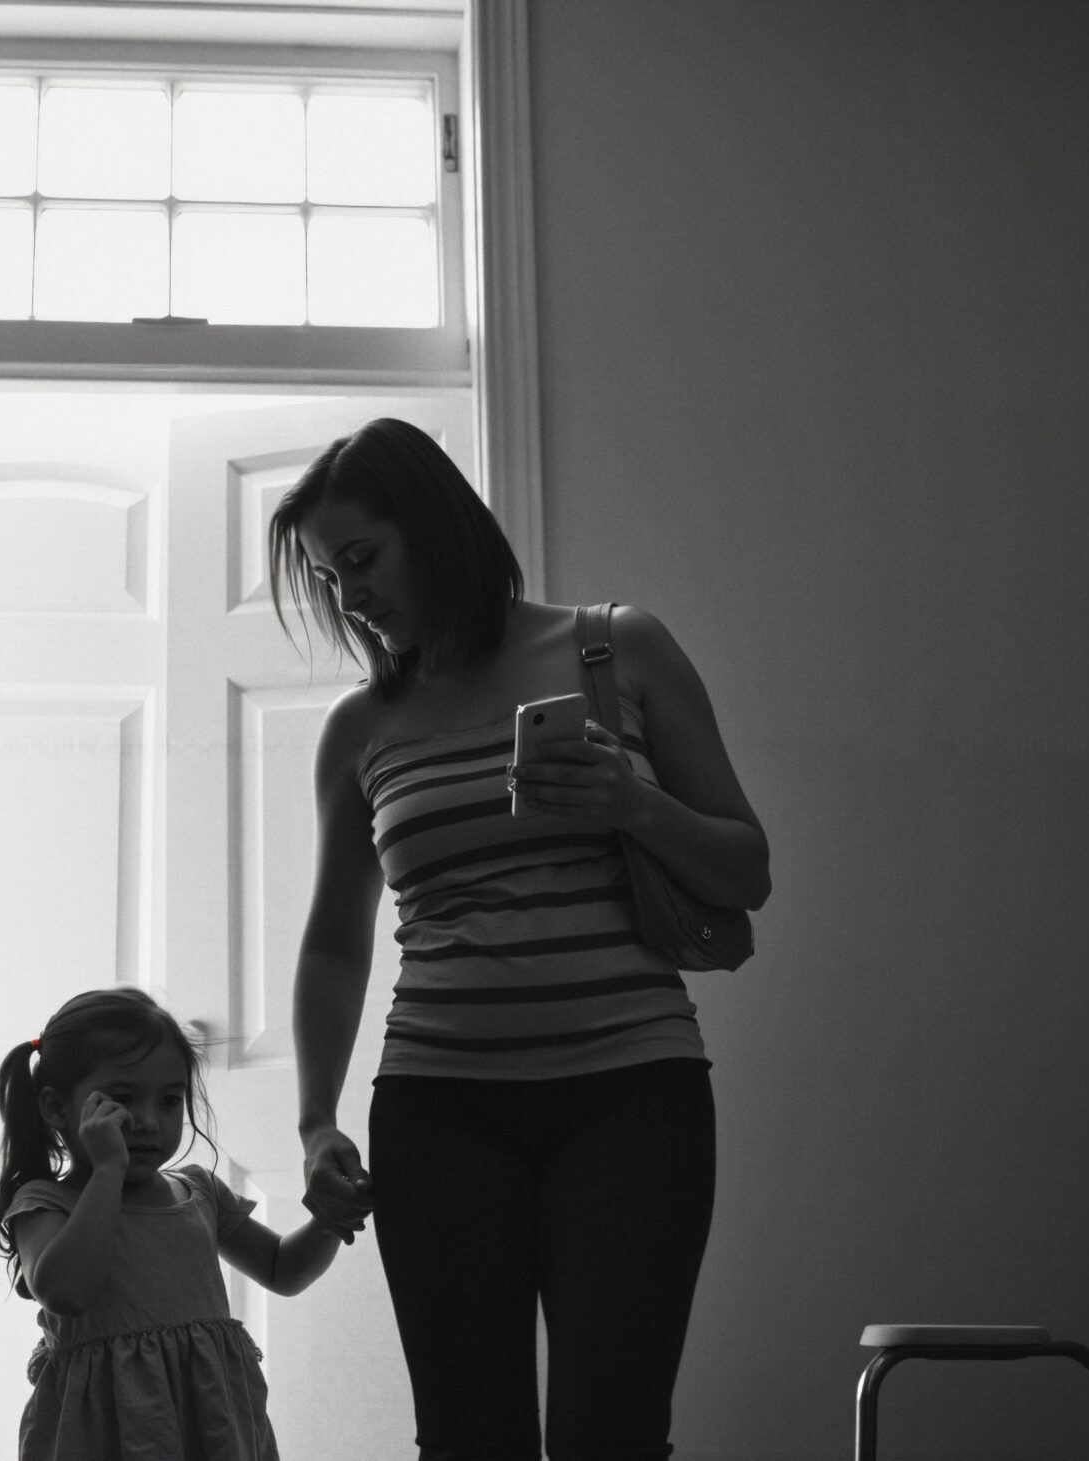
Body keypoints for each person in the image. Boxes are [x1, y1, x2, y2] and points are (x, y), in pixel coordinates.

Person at [266, 417, 770, 1461]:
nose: (350, 597)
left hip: (633, 1098)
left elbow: (745, 870)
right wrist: (314, 1122)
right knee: (466, 1440)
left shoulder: (615, 646)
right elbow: (332, 943)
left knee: (612, 1436)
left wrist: (631, 803)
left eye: (362, 559)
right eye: (329, 578)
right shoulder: (360, 729)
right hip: (439, 1111)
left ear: (436, 527)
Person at [0, 985, 347, 1461]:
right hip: (104, 1435)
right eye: (122, 1098)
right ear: (56, 1107)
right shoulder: (44, 1204)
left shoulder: (199, 1192)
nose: (148, 1121)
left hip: (212, 1428)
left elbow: (285, 1270)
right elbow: (65, 1291)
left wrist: (329, 1220)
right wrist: (108, 1172)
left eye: (169, 1100)